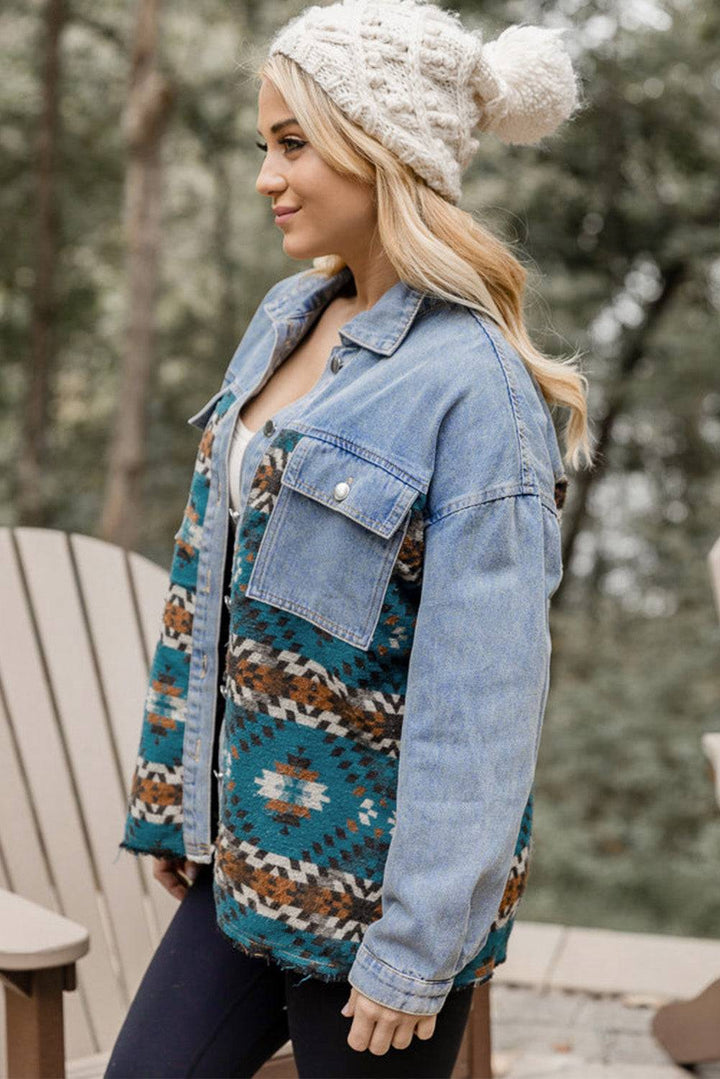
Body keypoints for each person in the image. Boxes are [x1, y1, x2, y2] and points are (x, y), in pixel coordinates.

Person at [106, 1, 593, 1075]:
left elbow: (485, 704)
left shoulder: (478, 391)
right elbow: (216, 583)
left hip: (376, 907)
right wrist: (189, 811)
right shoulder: (286, 313)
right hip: (247, 865)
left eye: (293, 144)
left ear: (382, 152)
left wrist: (413, 950)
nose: (266, 176)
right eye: (262, 144)